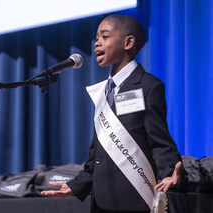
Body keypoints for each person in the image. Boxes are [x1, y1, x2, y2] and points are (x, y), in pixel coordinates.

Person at [41, 14, 183, 213]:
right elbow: (98, 152)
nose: (97, 43)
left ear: (128, 42)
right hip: (100, 200)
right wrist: (78, 184)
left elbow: (159, 141)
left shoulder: (148, 86)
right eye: (96, 38)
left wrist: (170, 172)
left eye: (104, 37)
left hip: (133, 197)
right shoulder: (104, 91)